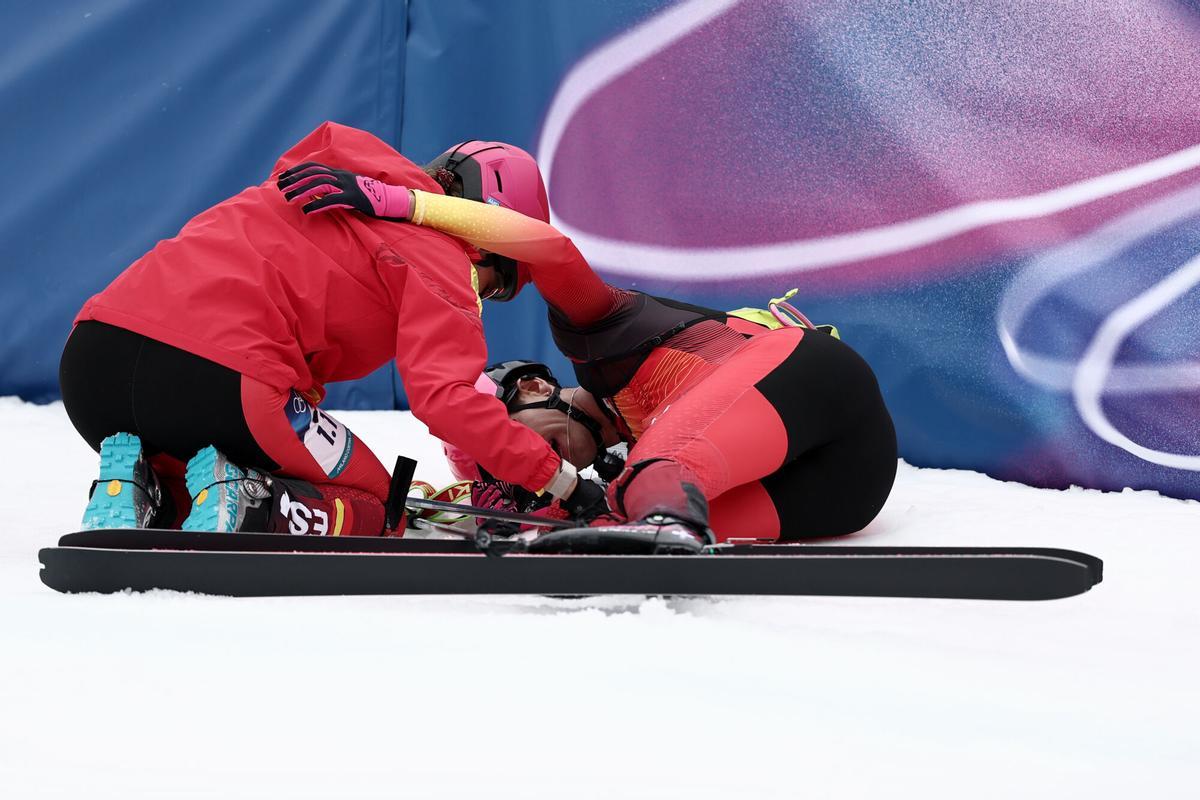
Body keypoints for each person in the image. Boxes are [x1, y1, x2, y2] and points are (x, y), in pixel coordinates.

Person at [278, 154, 897, 544]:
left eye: (539, 446)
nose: (551, 469)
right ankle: (661, 526)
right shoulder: (625, 463)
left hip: (819, 385)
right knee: (609, 522)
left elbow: (547, 250)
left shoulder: (599, 340)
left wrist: (408, 207)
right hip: (846, 492)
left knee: (655, 480)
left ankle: (663, 523)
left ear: (536, 388)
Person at [60, 123, 605, 535]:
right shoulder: (442, 256)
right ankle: (249, 504)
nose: (482, 294)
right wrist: (561, 482)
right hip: (222, 377)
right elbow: (445, 398)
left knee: (212, 471)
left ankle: (135, 487)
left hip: (92, 366)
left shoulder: (315, 188)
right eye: (497, 283)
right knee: (378, 503)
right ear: (489, 231)